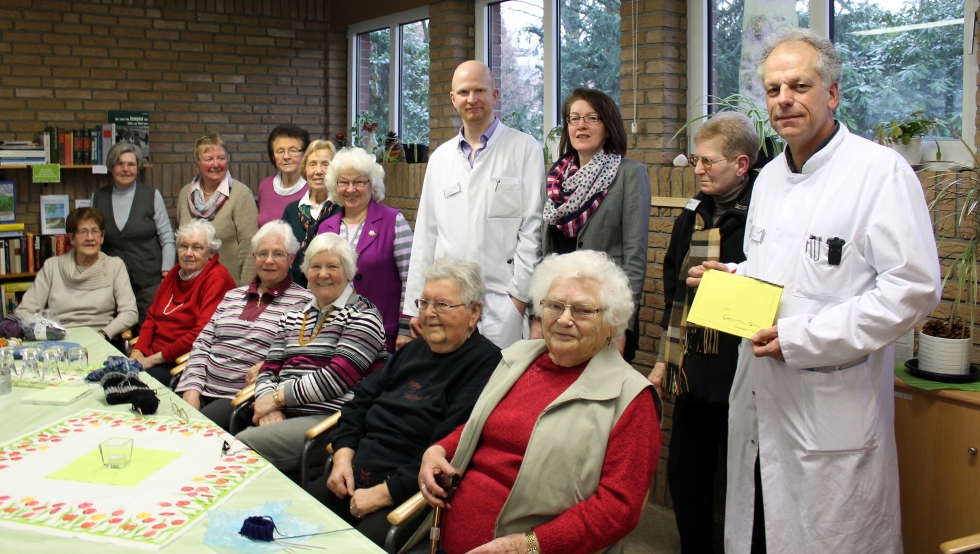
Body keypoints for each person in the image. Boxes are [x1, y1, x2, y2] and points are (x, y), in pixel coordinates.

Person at [686, 29, 941, 553]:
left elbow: (913, 288)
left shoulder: (879, 173)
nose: (784, 99)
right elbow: (777, 270)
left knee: (832, 535)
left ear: (832, 94)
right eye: (774, 88)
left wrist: (805, 337)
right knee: (760, 528)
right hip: (763, 398)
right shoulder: (771, 178)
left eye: (799, 85)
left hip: (831, 406)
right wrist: (733, 278)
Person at [412, 250, 661, 554]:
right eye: (555, 305)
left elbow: (617, 509)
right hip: (440, 536)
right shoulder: (517, 359)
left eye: (582, 310)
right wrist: (439, 450)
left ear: (611, 323)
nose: (564, 319)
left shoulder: (631, 398)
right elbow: (481, 425)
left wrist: (530, 545)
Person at [314, 258, 501, 547]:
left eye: (442, 305)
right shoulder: (414, 349)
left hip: (407, 494)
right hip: (350, 474)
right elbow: (360, 402)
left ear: (474, 311)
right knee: (290, 521)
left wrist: (380, 495)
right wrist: (342, 457)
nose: (429, 314)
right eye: (424, 303)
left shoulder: (486, 364)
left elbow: (452, 447)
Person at [649, 111, 760, 554]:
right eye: (696, 160)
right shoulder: (692, 214)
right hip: (691, 369)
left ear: (741, 165)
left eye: (709, 161)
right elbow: (674, 286)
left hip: (740, 372)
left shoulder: (761, 217)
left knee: (741, 480)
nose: (698, 169)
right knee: (686, 475)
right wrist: (663, 359)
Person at [403, 60, 545, 350]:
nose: (472, 99)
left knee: (497, 383)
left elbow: (533, 229)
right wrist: (417, 300)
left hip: (501, 298)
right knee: (450, 381)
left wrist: (518, 300)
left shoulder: (525, 148)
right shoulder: (440, 158)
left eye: (480, 90)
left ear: (495, 95)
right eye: (464, 92)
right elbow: (426, 234)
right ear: (453, 99)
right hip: (446, 301)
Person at [238, 232, 387, 474]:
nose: (323, 274)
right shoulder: (294, 313)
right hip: (283, 411)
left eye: (332, 267)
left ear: (348, 272)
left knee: (243, 447)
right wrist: (270, 406)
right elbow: (270, 367)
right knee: (218, 430)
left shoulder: (364, 315)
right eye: (315, 266)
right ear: (306, 272)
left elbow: (335, 379)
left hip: (331, 420)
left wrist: (275, 399)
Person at [538, 87, 650, 361]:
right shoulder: (555, 179)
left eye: (592, 118)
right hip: (560, 316)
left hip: (603, 317)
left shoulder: (630, 174)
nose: (581, 126)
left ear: (608, 127)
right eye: (574, 119)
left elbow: (634, 257)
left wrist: (621, 325)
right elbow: (545, 254)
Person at [175, 221, 312, 431]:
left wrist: (270, 367)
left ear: (291, 258)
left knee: (189, 433)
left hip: (240, 399)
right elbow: (202, 344)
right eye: (262, 253)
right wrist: (192, 389)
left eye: (277, 254)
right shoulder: (232, 296)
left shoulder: (305, 303)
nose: (268, 260)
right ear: (254, 256)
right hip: (201, 390)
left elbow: (300, 358)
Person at [318, 147, 413, 353]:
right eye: (343, 182)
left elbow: (411, 278)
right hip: (332, 334)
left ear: (372, 185)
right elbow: (316, 281)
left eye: (359, 182)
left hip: (381, 334)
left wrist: (405, 328)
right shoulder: (326, 227)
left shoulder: (393, 221)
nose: (350, 189)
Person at [130, 219, 237, 386]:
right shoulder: (175, 273)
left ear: (211, 252)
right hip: (154, 356)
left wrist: (152, 360)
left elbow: (200, 335)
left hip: (184, 363)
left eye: (197, 247)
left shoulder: (217, 279)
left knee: (131, 387)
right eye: (183, 246)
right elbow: (152, 317)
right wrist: (138, 350)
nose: (188, 253)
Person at [15, 207, 137, 341]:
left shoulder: (115, 266)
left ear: (102, 237)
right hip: (58, 341)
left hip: (101, 339)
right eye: (83, 232)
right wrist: (49, 332)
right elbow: (23, 311)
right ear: (71, 238)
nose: (90, 238)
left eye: (95, 231)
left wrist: (104, 333)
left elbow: (130, 313)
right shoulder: (52, 266)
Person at [93, 141, 175, 326]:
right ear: (111, 167)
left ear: (137, 168)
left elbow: (167, 237)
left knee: (148, 331)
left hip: (150, 283)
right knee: (116, 331)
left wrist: (166, 274)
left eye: (131, 164)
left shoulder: (151, 195)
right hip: (113, 284)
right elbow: (94, 241)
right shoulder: (98, 197)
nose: (125, 169)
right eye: (120, 164)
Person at [177, 133, 259, 286]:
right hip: (191, 287)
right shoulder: (184, 195)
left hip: (228, 289)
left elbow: (250, 246)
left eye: (221, 158)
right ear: (197, 164)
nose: (216, 164)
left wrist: (245, 292)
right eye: (208, 159)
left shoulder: (240, 195)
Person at [282, 139, 340, 286]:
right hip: (295, 291)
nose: (318, 171)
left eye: (325, 164)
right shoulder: (292, 210)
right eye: (312, 164)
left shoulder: (342, 209)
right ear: (305, 170)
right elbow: (283, 254)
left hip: (332, 288)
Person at [258, 124, 312, 228]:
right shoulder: (265, 186)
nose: (286, 156)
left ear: (305, 154)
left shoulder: (313, 187)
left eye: (293, 150)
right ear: (273, 156)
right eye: (280, 151)